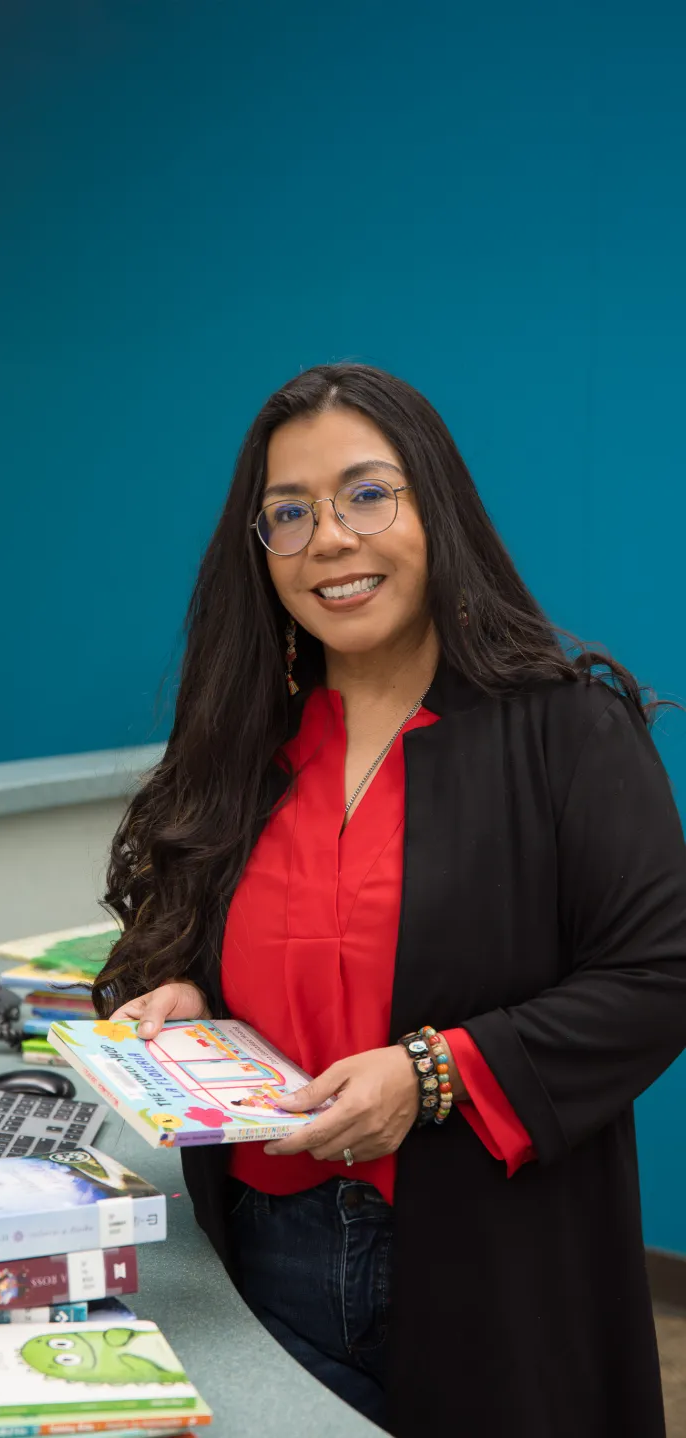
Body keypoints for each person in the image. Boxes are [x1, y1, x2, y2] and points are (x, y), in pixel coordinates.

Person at [94, 364, 686, 1438]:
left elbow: (659, 976)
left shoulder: (566, 729)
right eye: (289, 513)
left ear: (437, 509)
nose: (330, 537)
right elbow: (169, 931)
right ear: (259, 549)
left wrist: (434, 1074)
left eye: (368, 493)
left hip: (486, 1267)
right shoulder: (242, 749)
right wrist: (176, 988)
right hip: (261, 1256)